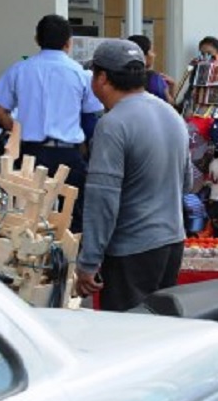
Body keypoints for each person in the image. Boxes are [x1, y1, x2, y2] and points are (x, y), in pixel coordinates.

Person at [73, 39, 192, 311]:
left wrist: (89, 262)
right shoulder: (170, 113)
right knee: (158, 333)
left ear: (102, 78)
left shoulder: (113, 124)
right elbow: (187, 183)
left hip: (131, 250)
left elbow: (102, 200)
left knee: (126, 338)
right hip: (171, 242)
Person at [0, 14, 105, 234]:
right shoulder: (80, 74)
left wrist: (16, 131)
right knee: (73, 218)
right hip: (68, 156)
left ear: (37, 39)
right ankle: (69, 264)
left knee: (25, 217)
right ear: (68, 43)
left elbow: (0, 111)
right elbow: (91, 115)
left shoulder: (19, 69)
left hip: (29, 155)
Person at [128, 34, 174, 104]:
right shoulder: (156, 79)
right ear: (143, 55)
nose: (154, 55)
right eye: (151, 51)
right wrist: (172, 89)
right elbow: (169, 107)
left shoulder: (120, 78)